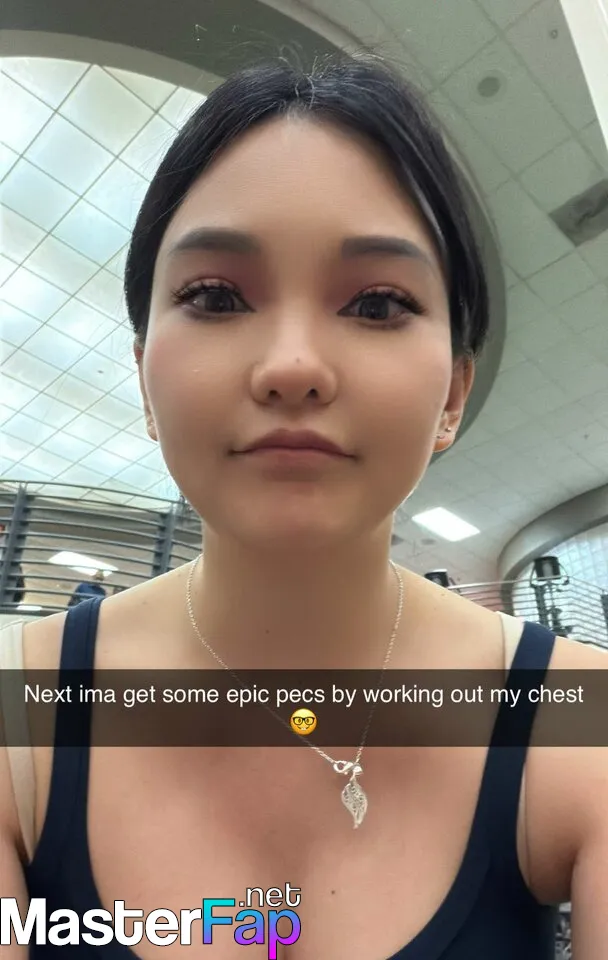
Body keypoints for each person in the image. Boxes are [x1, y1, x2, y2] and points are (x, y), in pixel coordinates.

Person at [0, 53, 606, 959]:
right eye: (214, 296)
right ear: (144, 376)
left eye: (377, 304)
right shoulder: (23, 721)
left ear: (452, 395)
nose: (291, 366)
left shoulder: (578, 721)